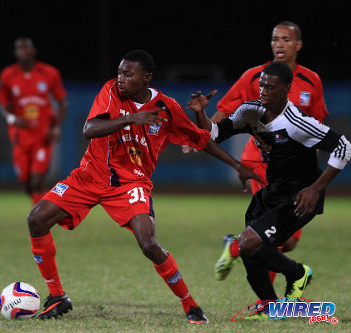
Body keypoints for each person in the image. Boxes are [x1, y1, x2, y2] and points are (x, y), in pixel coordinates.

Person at [26, 49, 262, 324]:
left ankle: (190, 306)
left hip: (130, 184)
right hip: (89, 176)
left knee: (148, 243)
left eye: (128, 74)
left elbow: (202, 139)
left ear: (146, 77)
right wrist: (129, 118)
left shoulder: (167, 107)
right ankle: (57, 296)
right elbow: (89, 129)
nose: (121, 78)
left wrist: (236, 166)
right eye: (119, 72)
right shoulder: (111, 90)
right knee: (37, 219)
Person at [187, 61, 350, 319]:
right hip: (274, 191)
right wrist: (200, 114)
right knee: (246, 249)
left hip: (299, 196)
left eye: (270, 87)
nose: (263, 90)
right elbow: (215, 133)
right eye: (261, 84)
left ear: (286, 89)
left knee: (249, 242)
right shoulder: (250, 111)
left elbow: (344, 147)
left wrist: (315, 189)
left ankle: (298, 273)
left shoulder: (297, 122)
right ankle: (270, 306)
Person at [208, 22, 329, 282]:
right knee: (270, 235)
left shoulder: (311, 80)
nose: (279, 44)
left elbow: (317, 125)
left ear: (298, 45)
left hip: (295, 170)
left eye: (286, 39)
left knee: (289, 241)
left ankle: (236, 245)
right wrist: (202, 134)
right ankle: (270, 301)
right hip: (260, 161)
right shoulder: (255, 77)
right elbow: (225, 109)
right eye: (275, 39)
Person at [0, 37, 68, 205]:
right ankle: (46, 209)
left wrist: (56, 127)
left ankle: (43, 215)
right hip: (20, 136)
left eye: (26, 48)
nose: (23, 52)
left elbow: (63, 102)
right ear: (15, 53)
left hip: (42, 135)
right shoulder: (8, 75)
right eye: (20, 49)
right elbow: (2, 104)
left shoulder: (49, 73)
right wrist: (12, 118)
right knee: (26, 181)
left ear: (34, 51)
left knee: (37, 180)